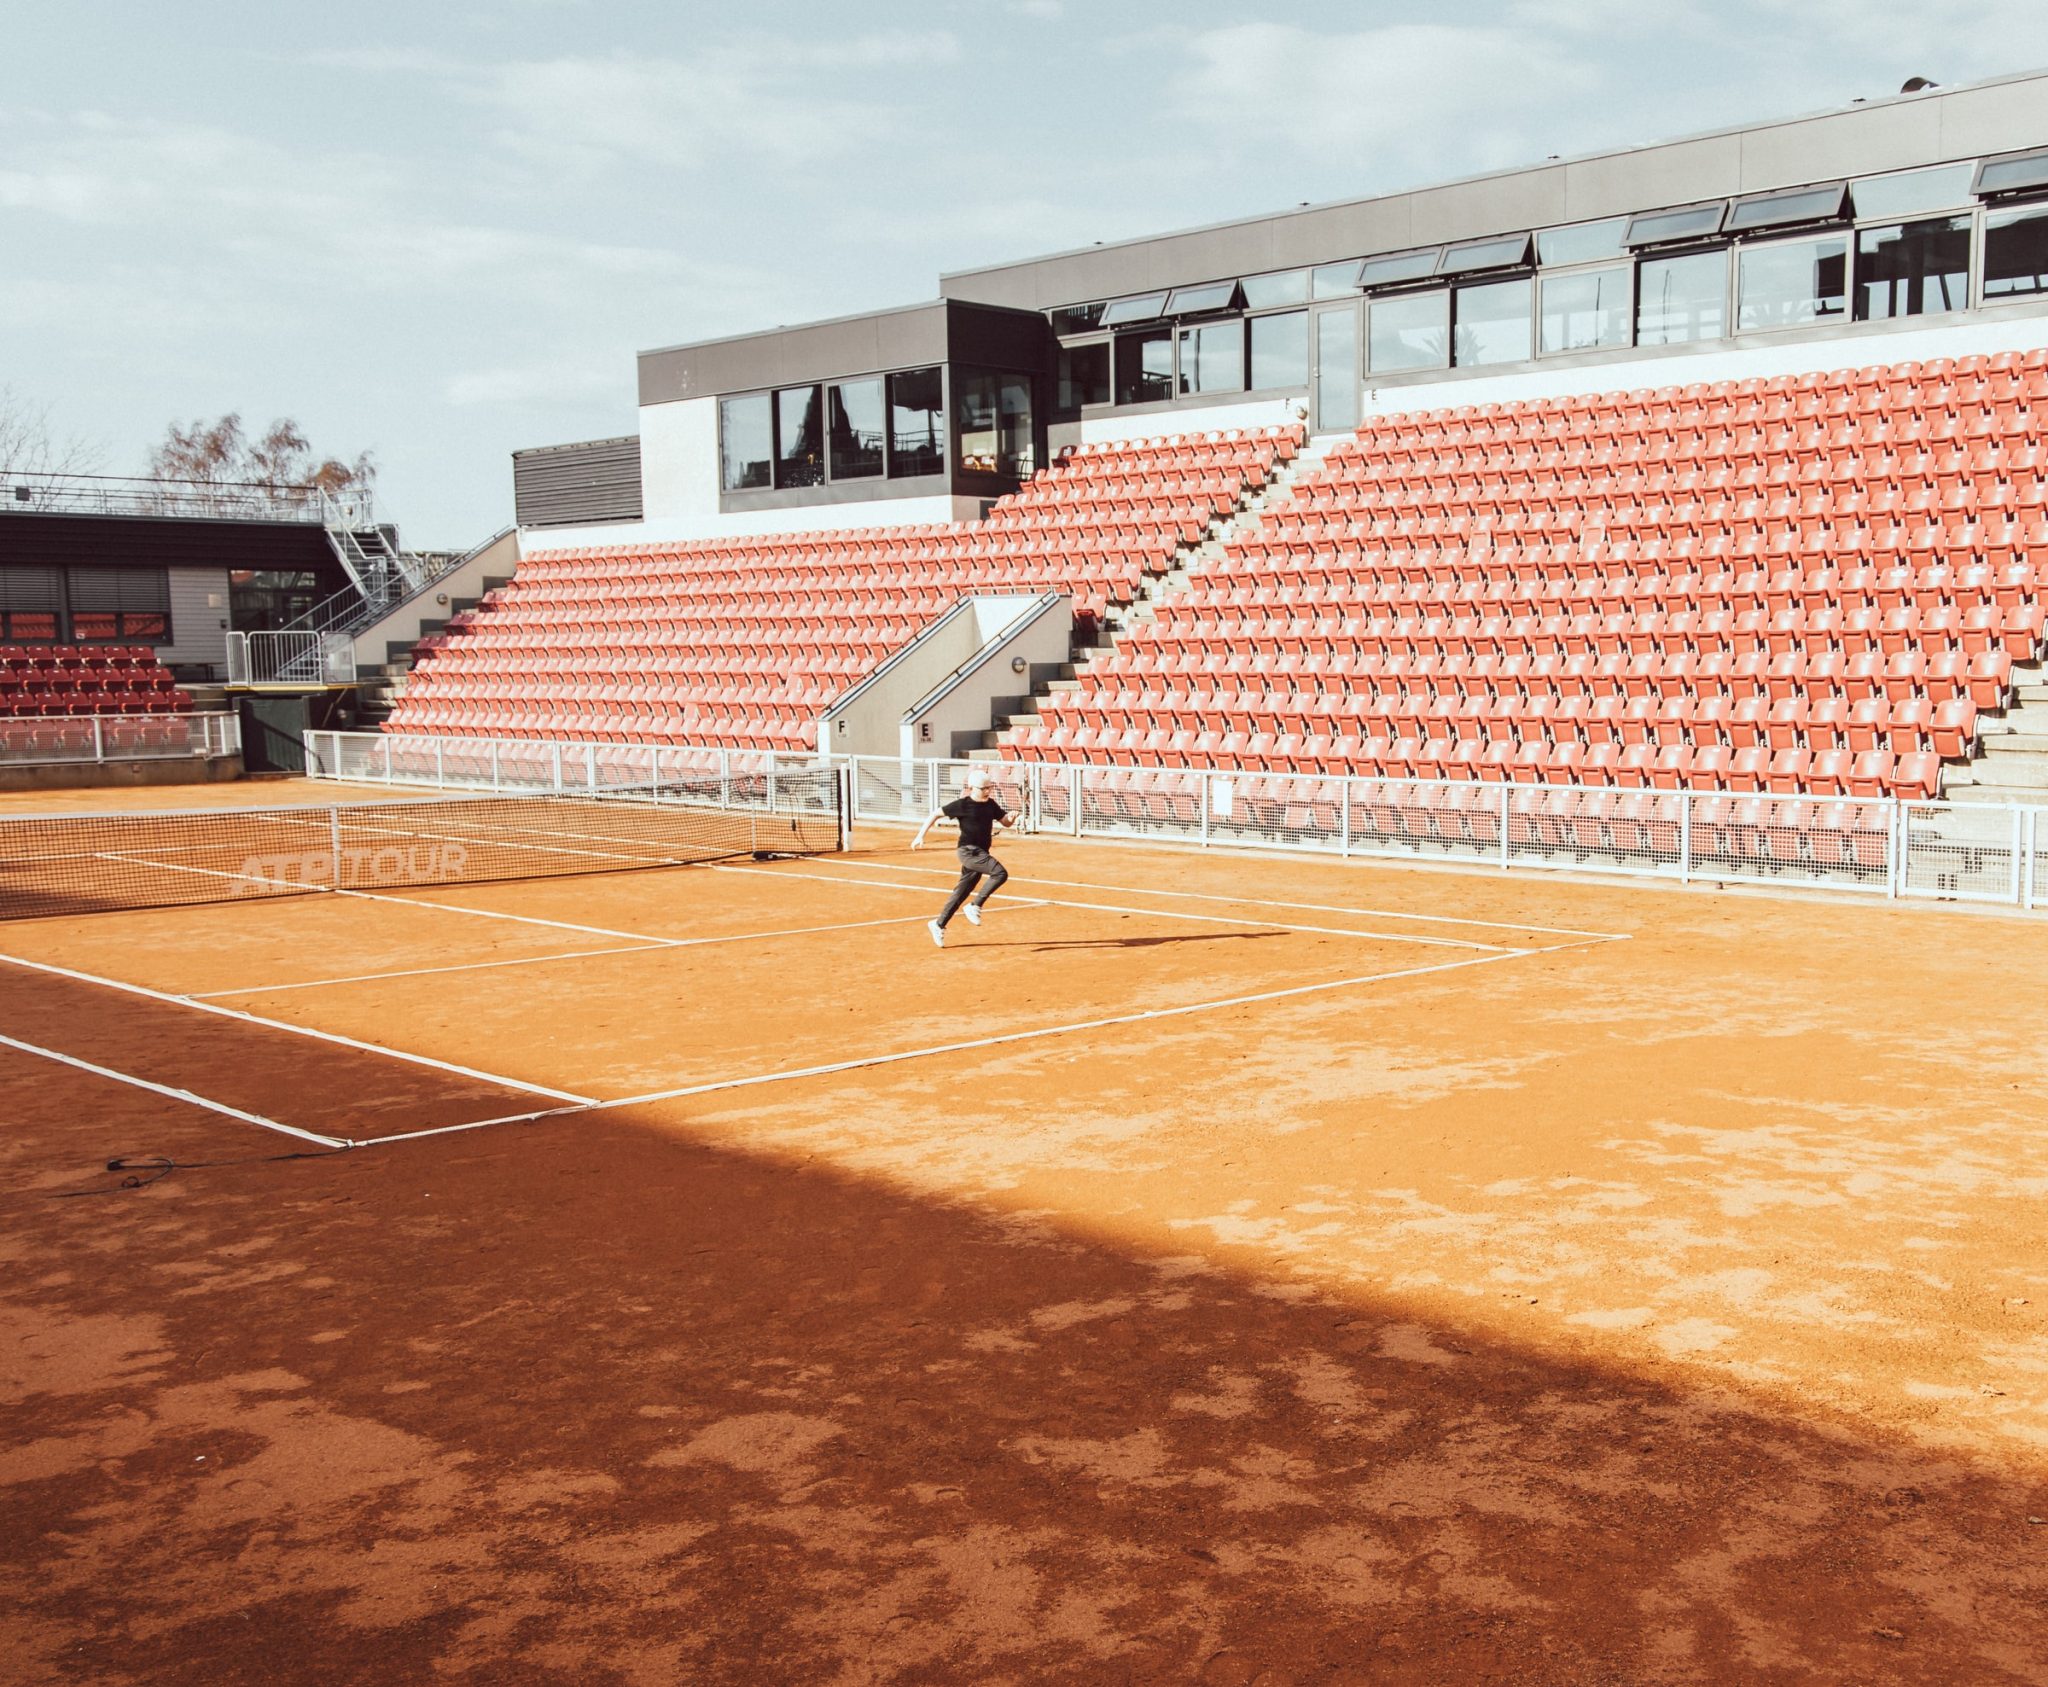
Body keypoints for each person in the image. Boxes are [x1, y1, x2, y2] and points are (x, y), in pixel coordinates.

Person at [911, 767, 1018, 948]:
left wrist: (1012, 817)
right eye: (984, 788)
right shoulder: (962, 804)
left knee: (961, 892)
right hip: (968, 851)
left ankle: (938, 924)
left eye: (989, 788)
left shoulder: (990, 804)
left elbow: (1005, 822)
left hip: (981, 852)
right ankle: (975, 906)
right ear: (972, 788)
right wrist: (920, 836)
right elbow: (935, 813)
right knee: (1000, 873)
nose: (987, 791)